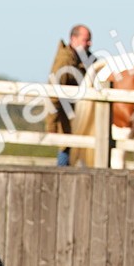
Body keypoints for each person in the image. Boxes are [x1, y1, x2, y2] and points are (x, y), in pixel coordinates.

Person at [45, 24, 94, 166]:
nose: (90, 43)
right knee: (66, 154)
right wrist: (52, 127)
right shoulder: (65, 61)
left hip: (79, 121)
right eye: (86, 40)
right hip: (68, 121)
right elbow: (53, 94)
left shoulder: (85, 59)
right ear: (74, 39)